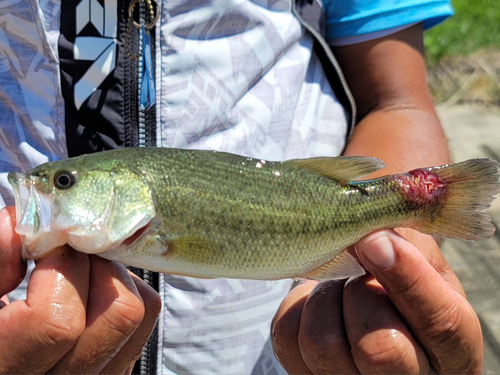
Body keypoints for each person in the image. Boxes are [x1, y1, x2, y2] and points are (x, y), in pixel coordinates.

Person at [0, 0, 484, 373]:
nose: (48, 188)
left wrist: (381, 287)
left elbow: (398, 102)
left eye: (64, 182)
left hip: (286, 346)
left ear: (128, 190)